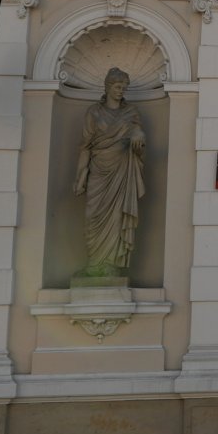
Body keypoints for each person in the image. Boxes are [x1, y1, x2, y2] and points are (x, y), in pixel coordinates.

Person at [74, 67, 146, 277]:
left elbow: (139, 139)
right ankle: (94, 262)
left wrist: (138, 136)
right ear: (107, 86)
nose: (120, 90)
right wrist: (80, 176)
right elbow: (85, 146)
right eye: (117, 86)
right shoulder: (94, 112)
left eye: (124, 87)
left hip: (121, 170)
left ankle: (110, 264)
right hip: (98, 171)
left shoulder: (131, 113)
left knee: (116, 217)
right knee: (93, 216)